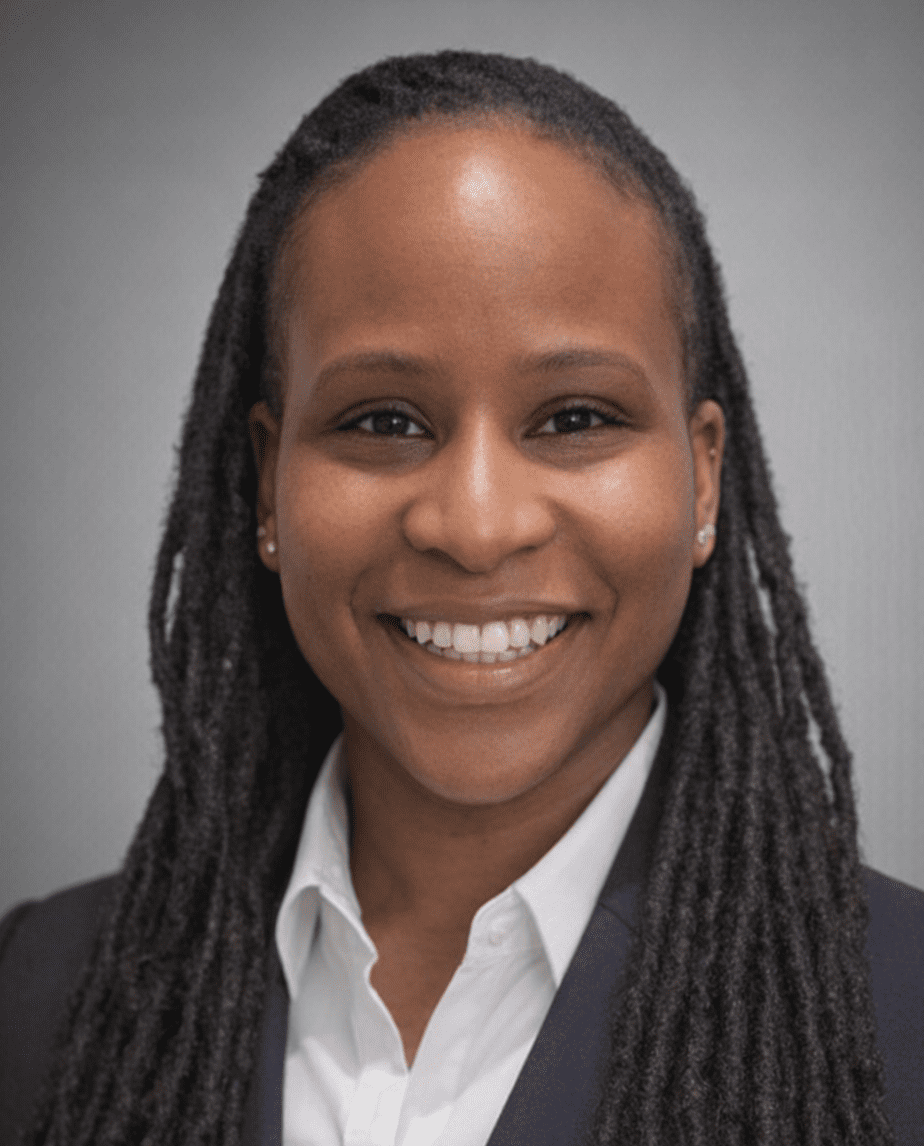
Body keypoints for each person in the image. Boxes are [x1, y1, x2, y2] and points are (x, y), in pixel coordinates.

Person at [0, 49, 921, 1146]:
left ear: (703, 474)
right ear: (267, 484)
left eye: (575, 417)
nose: (477, 528)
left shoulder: (895, 1018)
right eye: (383, 420)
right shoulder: (39, 1002)